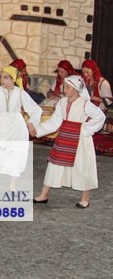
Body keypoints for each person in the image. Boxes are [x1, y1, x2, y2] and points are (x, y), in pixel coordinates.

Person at [30, 75, 106, 209]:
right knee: (54, 164)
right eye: (64, 86)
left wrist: (85, 128)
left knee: (82, 166)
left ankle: (85, 198)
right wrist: (38, 130)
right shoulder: (62, 102)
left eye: (67, 87)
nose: (64, 89)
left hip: (80, 139)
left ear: (76, 89)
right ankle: (44, 194)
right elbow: (55, 121)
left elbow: (100, 116)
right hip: (64, 137)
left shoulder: (85, 104)